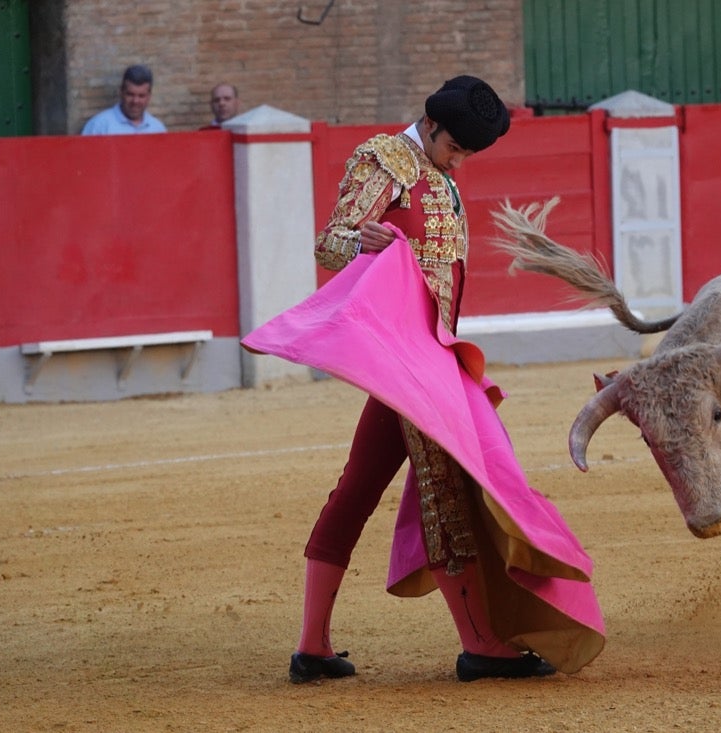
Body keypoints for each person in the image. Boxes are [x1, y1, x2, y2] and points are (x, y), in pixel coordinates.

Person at [241, 75, 605, 684]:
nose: (458, 160)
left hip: (429, 358)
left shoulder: (439, 175)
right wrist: (363, 239)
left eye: (467, 153)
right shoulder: (386, 159)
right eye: (454, 148)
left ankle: (313, 647)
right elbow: (329, 245)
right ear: (430, 125)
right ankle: (482, 646)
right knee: (446, 489)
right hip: (407, 360)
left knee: (361, 486)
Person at [81, 64, 167, 135]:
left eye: (141, 96)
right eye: (130, 94)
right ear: (121, 92)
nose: (135, 101)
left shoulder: (157, 129)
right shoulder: (99, 126)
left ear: (149, 96)